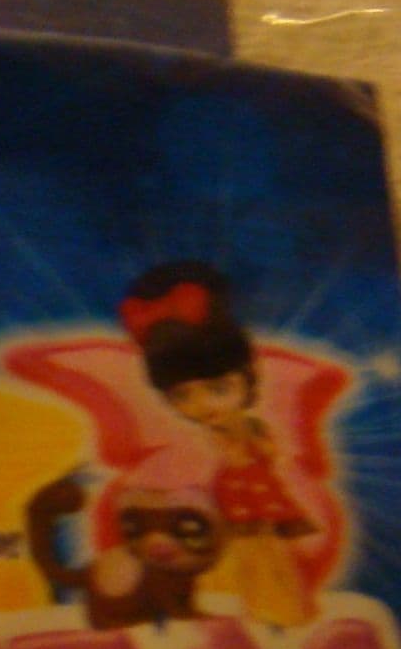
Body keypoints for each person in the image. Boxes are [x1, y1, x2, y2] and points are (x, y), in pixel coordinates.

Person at [119, 263, 318, 628]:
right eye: (182, 396)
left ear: (247, 380)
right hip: (225, 509)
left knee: (266, 555)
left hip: (255, 503)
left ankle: (281, 612)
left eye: (218, 389)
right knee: (240, 560)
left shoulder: (248, 427)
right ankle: (257, 613)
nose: (202, 406)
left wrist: (246, 448)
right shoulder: (194, 443)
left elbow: (264, 454)